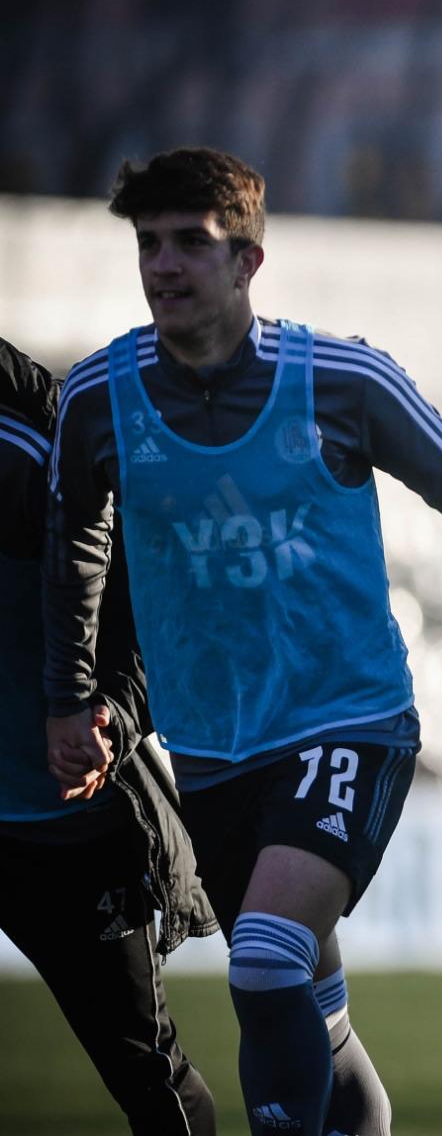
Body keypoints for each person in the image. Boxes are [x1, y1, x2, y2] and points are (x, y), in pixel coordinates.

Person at [42, 148, 442, 1136]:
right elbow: (73, 548)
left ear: (249, 260)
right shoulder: (101, 398)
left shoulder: (340, 382)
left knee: (262, 954)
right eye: (149, 245)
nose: (165, 266)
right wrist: (67, 696)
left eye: (191, 243)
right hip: (212, 747)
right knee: (303, 991)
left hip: (348, 720)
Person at [1, 337, 218, 1133]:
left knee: (153, 1087)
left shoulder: (37, 454)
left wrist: (110, 719)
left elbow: (172, 629)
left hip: (67, 838)